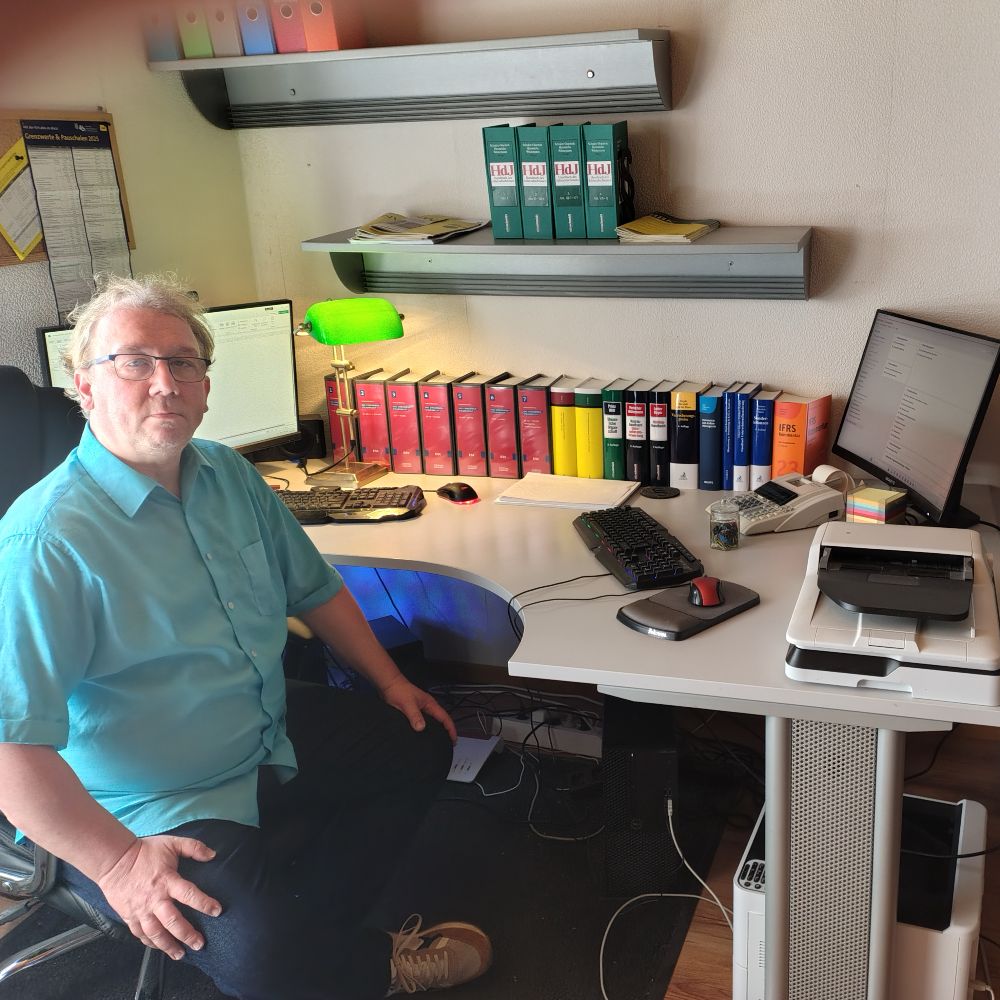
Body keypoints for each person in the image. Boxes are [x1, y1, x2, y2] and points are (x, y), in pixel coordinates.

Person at [0, 274, 492, 999]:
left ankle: (308, 936)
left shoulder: (227, 472)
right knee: (263, 958)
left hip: (261, 732)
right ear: (86, 387)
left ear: (205, 385)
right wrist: (118, 864)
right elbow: (11, 752)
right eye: (134, 362)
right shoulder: (45, 541)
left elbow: (316, 589)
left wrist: (389, 681)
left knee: (418, 738)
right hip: (147, 805)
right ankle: (354, 962)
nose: (164, 383)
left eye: (183, 362)